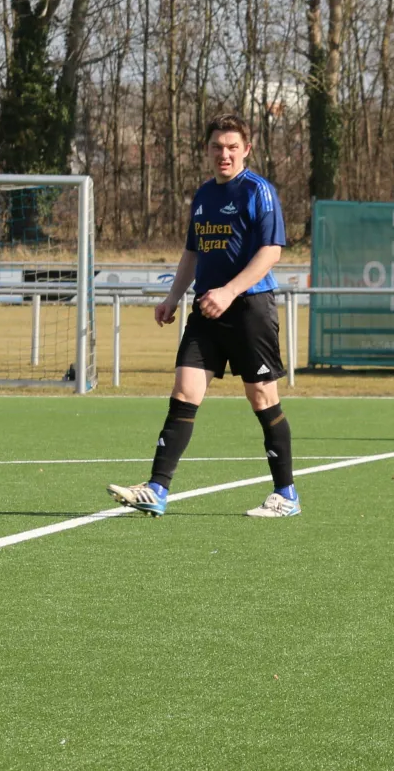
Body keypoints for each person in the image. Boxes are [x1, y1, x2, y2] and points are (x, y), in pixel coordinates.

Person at [108, 114, 297, 519]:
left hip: (250, 309)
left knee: (262, 398)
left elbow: (271, 252)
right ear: (207, 150)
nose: (223, 154)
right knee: (184, 391)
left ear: (247, 149)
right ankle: (157, 488)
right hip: (207, 310)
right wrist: (172, 298)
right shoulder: (203, 195)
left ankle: (286, 494)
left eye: (232, 147)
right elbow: (192, 252)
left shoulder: (259, 191)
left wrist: (230, 291)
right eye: (216, 146)